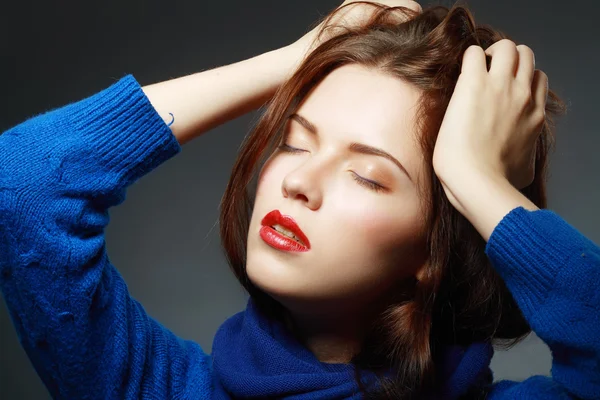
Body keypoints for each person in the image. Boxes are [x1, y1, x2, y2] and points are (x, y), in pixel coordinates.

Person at [0, 0, 598, 399]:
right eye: (293, 143)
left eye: (367, 175)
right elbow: (26, 182)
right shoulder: (162, 387)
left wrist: (479, 183)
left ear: (436, 251)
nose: (297, 182)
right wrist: (297, 58)